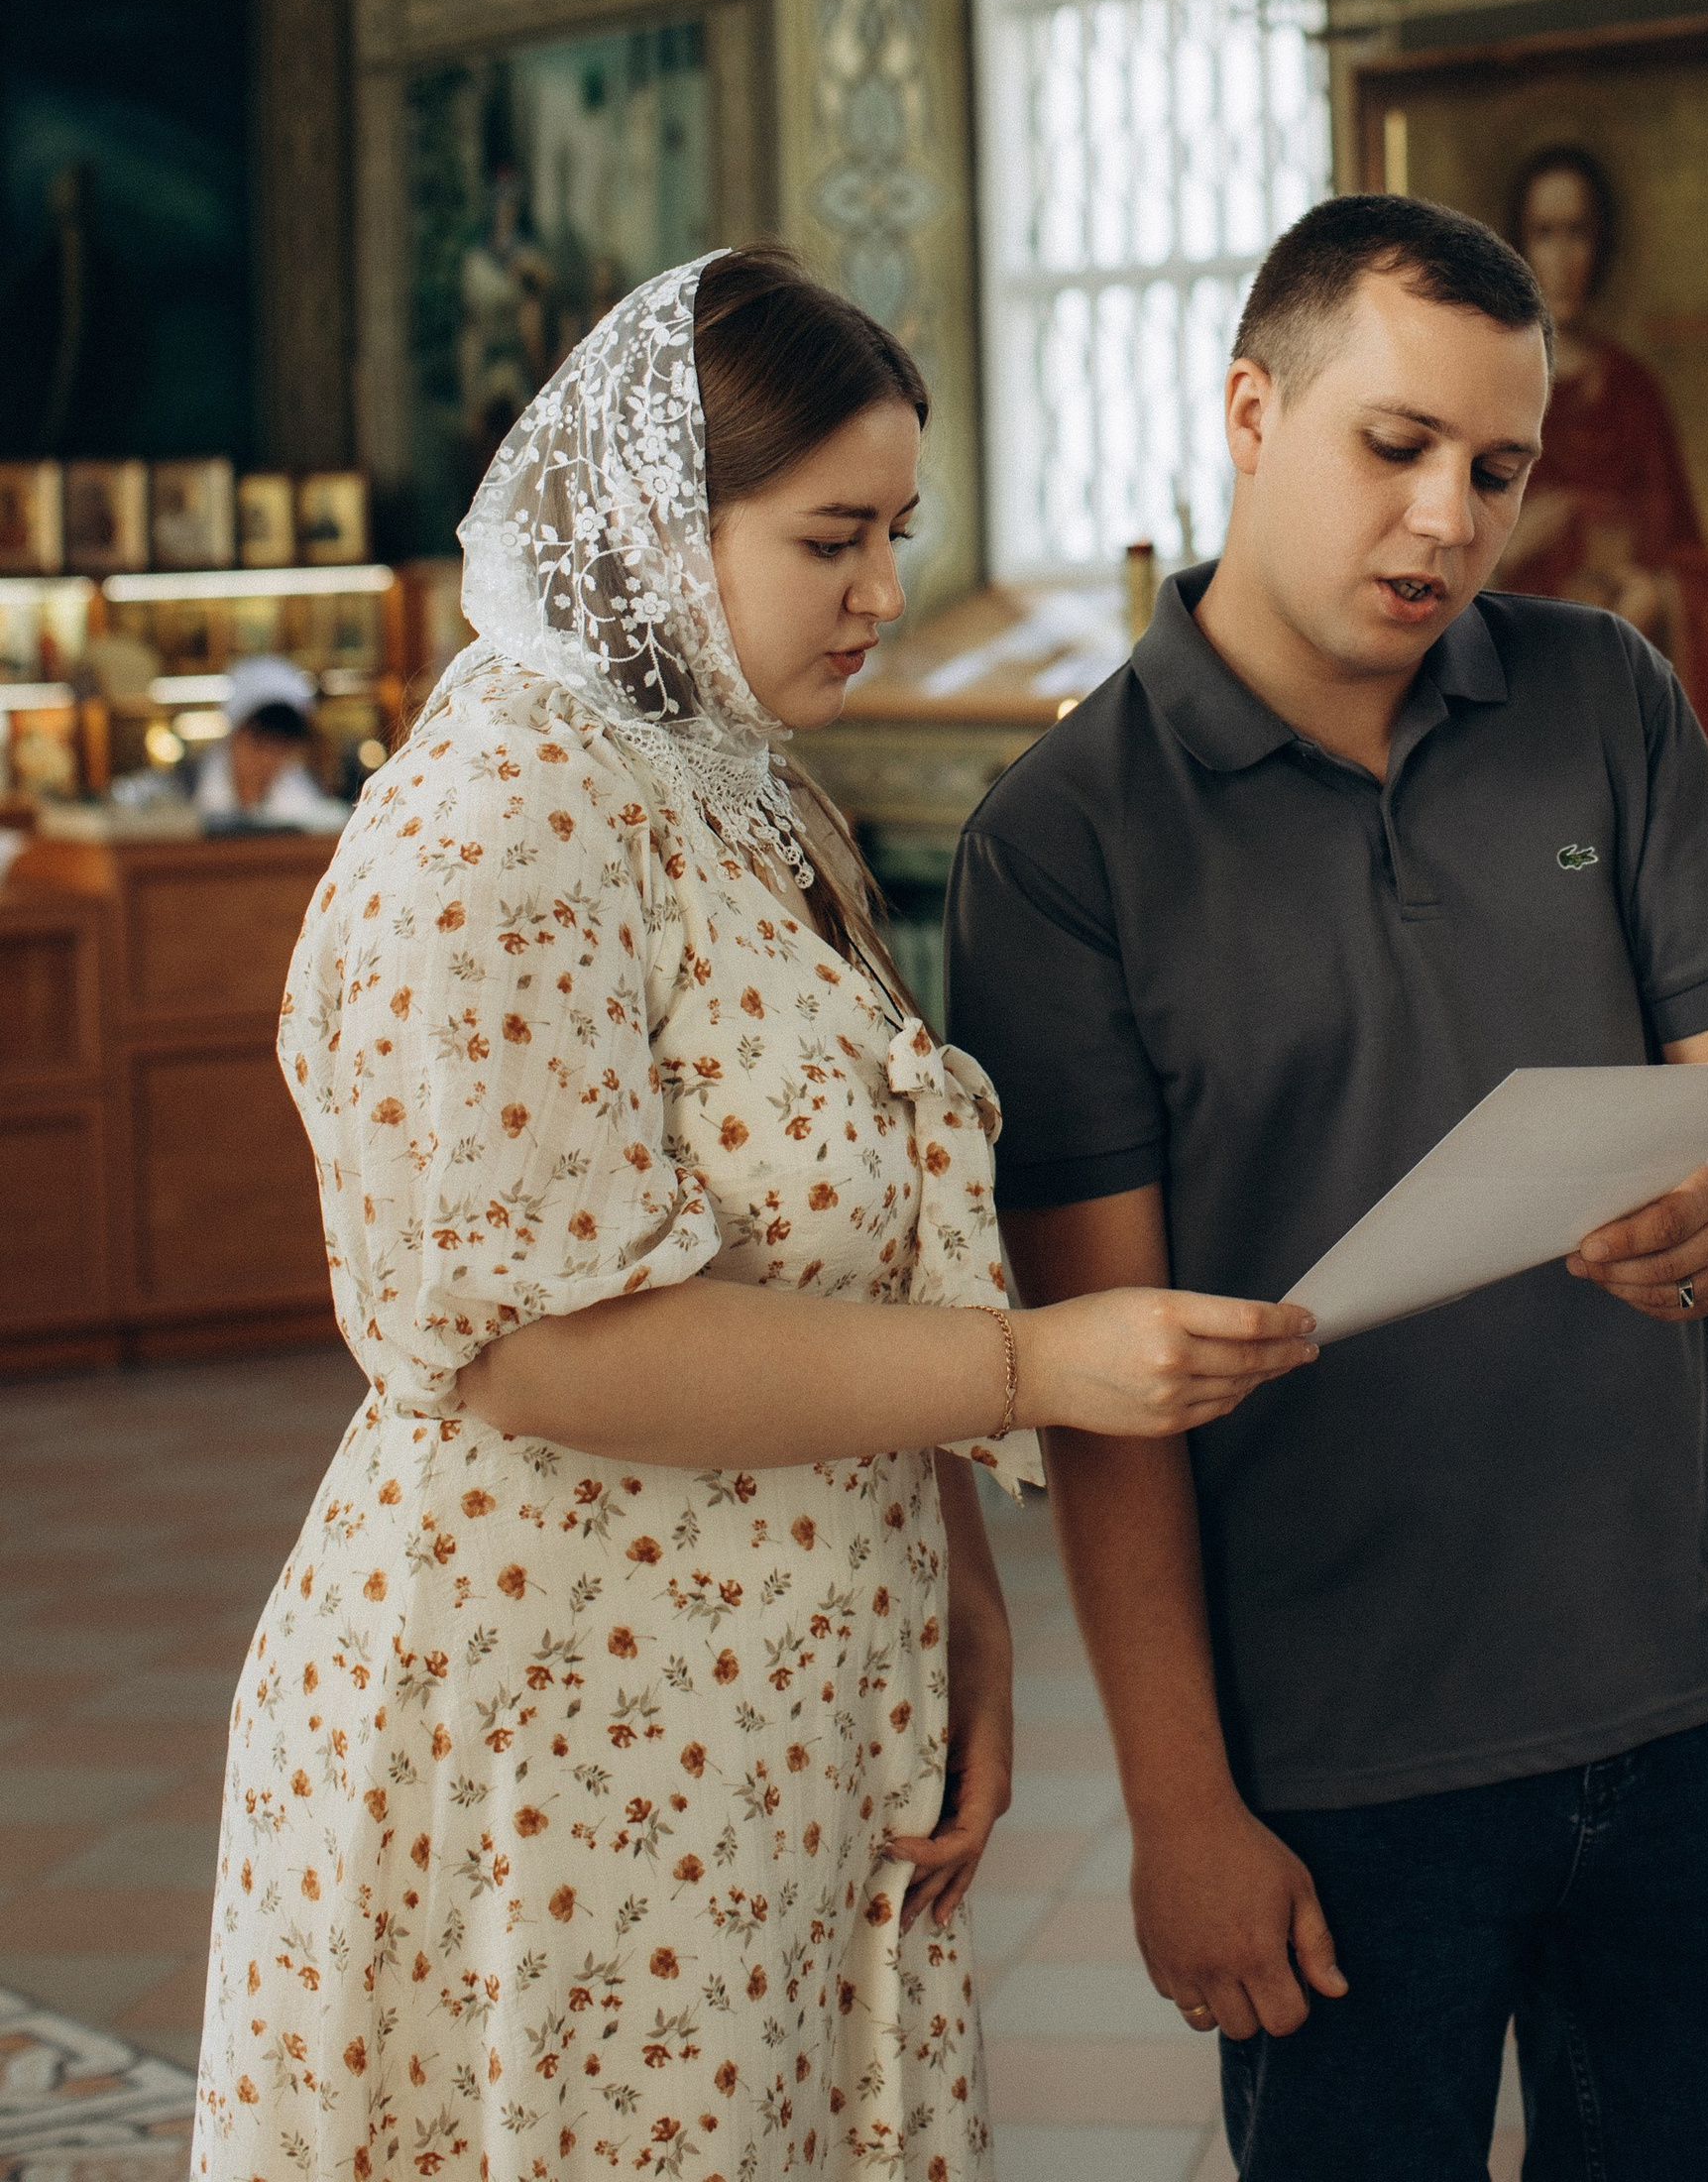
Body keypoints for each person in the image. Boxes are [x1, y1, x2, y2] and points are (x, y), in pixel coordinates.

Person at [194, 246, 1311, 2182]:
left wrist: (958, 1597)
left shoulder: (739, 789)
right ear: (654, 526)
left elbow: (857, 1248)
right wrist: (1039, 1366)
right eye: (831, 540)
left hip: (773, 1722)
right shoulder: (500, 815)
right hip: (561, 1732)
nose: (883, 592)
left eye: (898, 535)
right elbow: (542, 1347)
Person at [947, 194, 1708, 2182]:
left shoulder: (1602, 696)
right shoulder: (1062, 842)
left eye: (1497, 470)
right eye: (1397, 445)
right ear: (1251, 412)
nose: (1449, 518)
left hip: (1686, 1691)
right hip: (1334, 1759)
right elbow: (1100, 1388)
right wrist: (1179, 1807)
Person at [1498, 142, 1708, 744]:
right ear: (1520, 248)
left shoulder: (1632, 392)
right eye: (1544, 233)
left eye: (1578, 232)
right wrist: (1505, 553)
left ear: (1601, 245)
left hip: (1616, 692)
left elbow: (1694, 567)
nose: (1562, 258)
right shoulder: (1488, 392)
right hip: (1512, 697)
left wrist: (1657, 595)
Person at [190, 653, 346, 833]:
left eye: (281, 747)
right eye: (259, 743)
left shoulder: (310, 814)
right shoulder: (184, 797)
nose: (267, 759)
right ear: (234, 736)